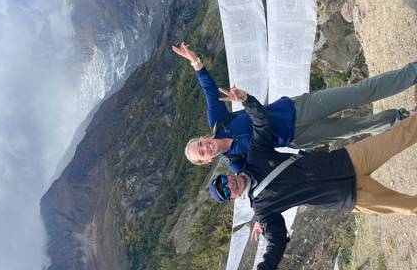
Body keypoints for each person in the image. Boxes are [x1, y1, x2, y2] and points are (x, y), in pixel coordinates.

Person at [208, 86, 417, 270]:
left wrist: (247, 100)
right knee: (409, 207)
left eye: (223, 182)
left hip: (347, 161)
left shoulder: (256, 157)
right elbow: (276, 241)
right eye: (226, 192)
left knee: (400, 136)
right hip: (349, 197)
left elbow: (262, 124)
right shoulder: (263, 210)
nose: (229, 186)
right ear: (233, 198)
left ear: (228, 175)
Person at [172, 42, 417, 173]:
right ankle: (399, 118)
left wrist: (195, 61)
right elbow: (253, 185)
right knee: (353, 128)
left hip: (296, 109)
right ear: (206, 161)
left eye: (200, 144)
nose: (205, 147)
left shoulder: (218, 122)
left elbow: (209, 90)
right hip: (299, 138)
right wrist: (260, 221)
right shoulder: (237, 161)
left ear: (203, 138)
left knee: (357, 93)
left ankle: (412, 73)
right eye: (202, 153)